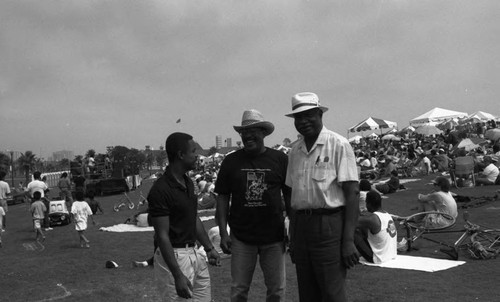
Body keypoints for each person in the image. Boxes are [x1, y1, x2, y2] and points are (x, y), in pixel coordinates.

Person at [285, 92, 360, 302]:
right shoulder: (294, 151)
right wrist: (293, 236)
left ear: (320, 114)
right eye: (298, 117)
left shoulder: (338, 144)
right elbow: (292, 195)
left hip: (329, 225)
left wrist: (348, 240)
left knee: (331, 292)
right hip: (301, 226)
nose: (303, 121)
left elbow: (352, 193)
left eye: (309, 115)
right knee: (307, 293)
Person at [215, 109, 291, 302]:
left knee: (276, 291)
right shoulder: (231, 161)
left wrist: (292, 228)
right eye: (243, 132)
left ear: (263, 133)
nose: (247, 136)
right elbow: (222, 197)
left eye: (253, 131)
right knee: (239, 290)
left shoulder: (280, 159)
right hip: (241, 237)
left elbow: (289, 196)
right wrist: (224, 232)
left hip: (274, 237)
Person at [148, 132, 220, 301]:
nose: (197, 156)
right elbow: (162, 235)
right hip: (175, 257)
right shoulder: (161, 190)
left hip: (195, 253)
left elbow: (193, 218)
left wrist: (209, 248)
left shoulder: (188, 182)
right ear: (180, 155)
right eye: (193, 151)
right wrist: (177, 274)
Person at [354, 191, 397, 264]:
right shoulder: (387, 215)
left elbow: (352, 223)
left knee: (354, 232)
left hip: (378, 258)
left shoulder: (373, 218)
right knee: (363, 229)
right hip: (390, 254)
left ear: (369, 203)